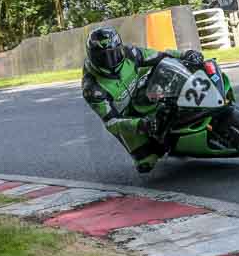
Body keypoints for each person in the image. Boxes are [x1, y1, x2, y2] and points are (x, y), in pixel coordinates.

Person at [81, 26, 204, 173]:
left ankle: (193, 102)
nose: (110, 62)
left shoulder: (130, 53)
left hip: (144, 89)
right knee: (146, 163)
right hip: (128, 118)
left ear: (120, 48)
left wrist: (185, 54)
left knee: (170, 69)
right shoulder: (92, 88)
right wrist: (141, 124)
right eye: (103, 58)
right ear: (92, 56)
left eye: (113, 54)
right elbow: (111, 122)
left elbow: (159, 55)